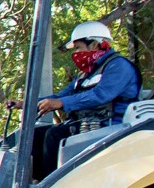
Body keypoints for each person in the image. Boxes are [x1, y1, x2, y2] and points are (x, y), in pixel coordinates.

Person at [32, 20, 143, 178]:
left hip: (111, 126)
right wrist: (28, 104)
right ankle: (35, 184)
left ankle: (50, 186)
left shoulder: (118, 66)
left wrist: (62, 103)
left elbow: (100, 95)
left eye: (78, 47)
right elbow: (62, 95)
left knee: (55, 135)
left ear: (94, 44)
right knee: (37, 134)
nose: (75, 53)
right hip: (88, 124)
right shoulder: (86, 74)